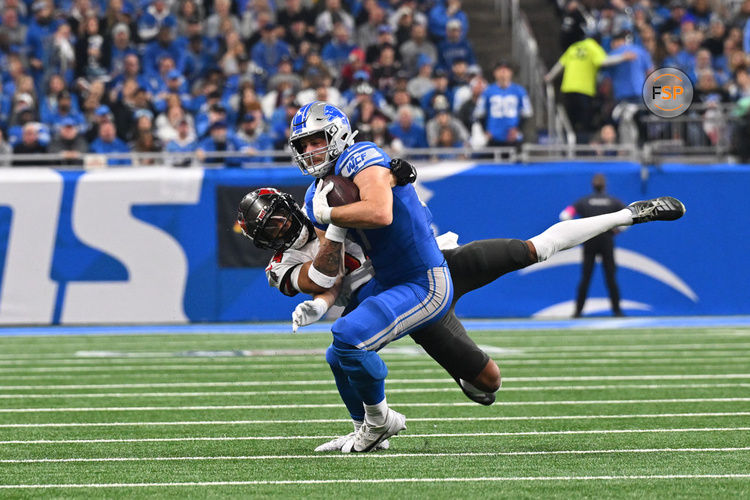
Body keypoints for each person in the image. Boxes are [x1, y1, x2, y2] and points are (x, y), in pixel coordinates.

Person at [238, 174, 686, 453]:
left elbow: (388, 210)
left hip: (434, 268)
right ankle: (373, 423)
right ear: (266, 243)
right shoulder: (284, 264)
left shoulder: (328, 202)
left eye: (280, 216)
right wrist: (318, 302)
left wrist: (397, 180)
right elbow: (325, 279)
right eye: (272, 229)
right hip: (401, 304)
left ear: (288, 204)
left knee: (532, 248)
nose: (283, 227)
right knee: (487, 386)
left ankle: (629, 214)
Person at [285, 101, 454, 453]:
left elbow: (380, 212)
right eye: (302, 146)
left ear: (337, 134)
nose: (309, 151)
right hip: (388, 279)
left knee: (349, 337)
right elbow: (334, 265)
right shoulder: (316, 191)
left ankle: (381, 422)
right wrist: (320, 301)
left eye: (316, 141)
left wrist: (330, 213)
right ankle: (365, 428)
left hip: (422, 279)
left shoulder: (360, 155)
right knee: (337, 354)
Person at [560, 173, 631, 318]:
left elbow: (565, 215)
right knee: (610, 277)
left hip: (589, 242)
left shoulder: (584, 201)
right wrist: (618, 230)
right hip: (606, 241)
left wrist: (577, 230)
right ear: (605, 185)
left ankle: (578, 311)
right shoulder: (613, 201)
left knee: (586, 277)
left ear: (593, 185)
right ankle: (617, 311)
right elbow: (629, 215)